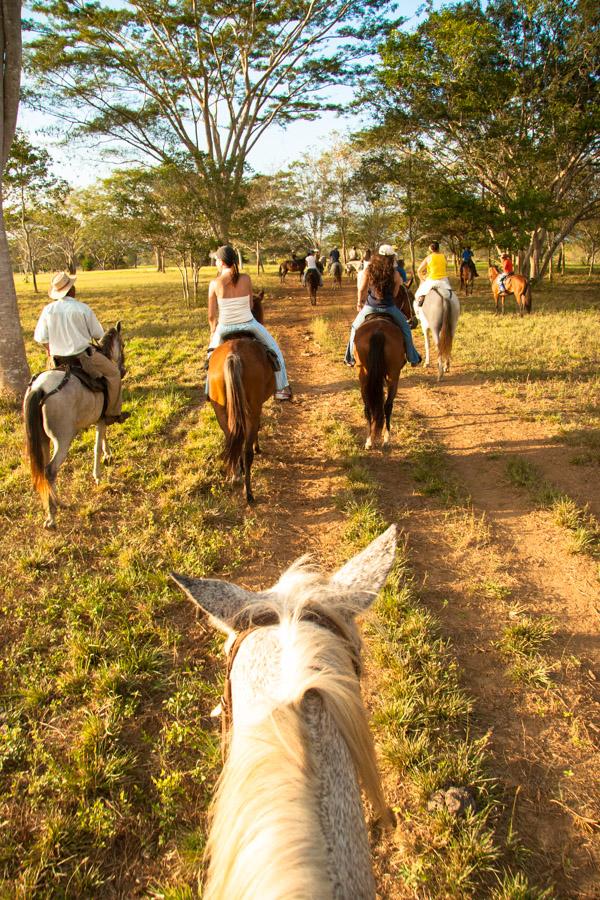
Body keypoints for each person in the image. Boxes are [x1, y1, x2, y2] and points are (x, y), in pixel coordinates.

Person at [33, 272, 129, 425]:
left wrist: (52, 351)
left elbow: (41, 338)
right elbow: (98, 335)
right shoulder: (82, 309)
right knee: (114, 373)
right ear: (72, 290)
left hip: (56, 359)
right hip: (83, 357)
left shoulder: (48, 310)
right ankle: (112, 413)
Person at [206, 245, 292, 401]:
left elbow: (211, 316)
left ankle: (209, 391)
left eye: (216, 260)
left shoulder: (214, 283)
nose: (216, 263)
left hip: (224, 327)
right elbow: (251, 306)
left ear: (222, 262)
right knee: (275, 350)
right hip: (249, 324)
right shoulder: (246, 279)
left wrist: (213, 331)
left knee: (211, 358)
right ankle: (282, 387)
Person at [344, 244, 422, 367]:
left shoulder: (368, 271)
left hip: (370, 307)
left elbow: (362, 289)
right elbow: (396, 293)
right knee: (406, 329)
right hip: (389, 308)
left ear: (378, 256)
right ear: (392, 258)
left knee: (354, 328)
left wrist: (360, 303)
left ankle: (350, 358)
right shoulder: (395, 274)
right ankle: (413, 358)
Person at [415, 241, 453, 306]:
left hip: (431, 280)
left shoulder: (428, 258)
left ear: (431, 249)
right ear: (438, 248)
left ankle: (419, 306)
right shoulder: (444, 256)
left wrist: (422, 280)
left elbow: (419, 270)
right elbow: (445, 266)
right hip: (444, 280)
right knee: (451, 294)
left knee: (418, 294)